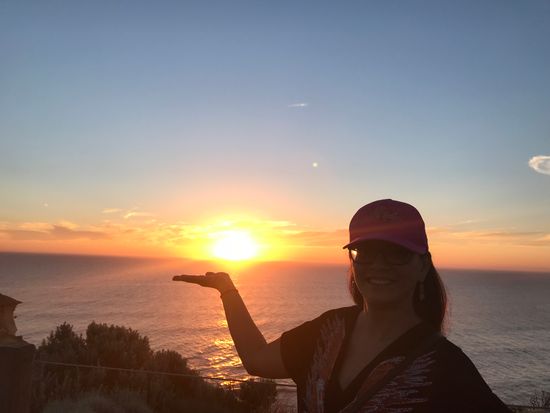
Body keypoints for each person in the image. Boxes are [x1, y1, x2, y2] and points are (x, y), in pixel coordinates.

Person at [174, 199, 512, 412]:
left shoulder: (446, 367)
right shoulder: (327, 329)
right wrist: (228, 291)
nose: (379, 265)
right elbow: (256, 360)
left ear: (423, 265)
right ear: (353, 261)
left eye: (396, 253)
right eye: (366, 252)